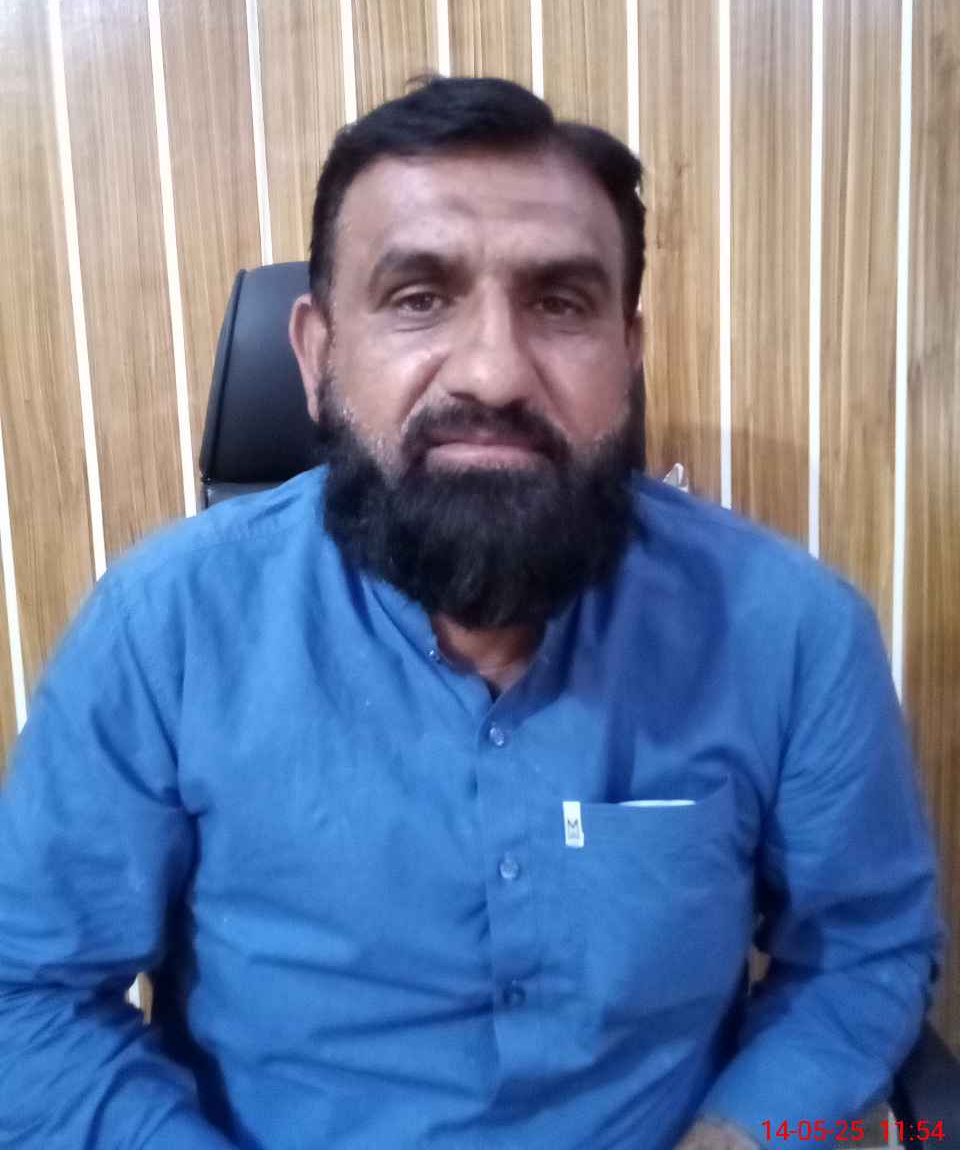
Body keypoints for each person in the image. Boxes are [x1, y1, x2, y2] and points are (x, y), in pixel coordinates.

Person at [0, 75, 945, 1150]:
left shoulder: (793, 632)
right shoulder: (163, 631)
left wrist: (742, 1138)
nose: (494, 373)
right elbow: (25, 995)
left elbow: (865, 953)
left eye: (561, 303)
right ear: (317, 354)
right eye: (417, 297)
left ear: (627, 354)